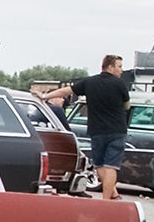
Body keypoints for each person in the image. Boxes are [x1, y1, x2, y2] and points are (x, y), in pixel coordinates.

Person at [44, 55, 130, 201]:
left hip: (97, 130)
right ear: (110, 67)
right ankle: (107, 199)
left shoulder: (89, 82)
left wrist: (45, 96)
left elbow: (65, 91)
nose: (121, 70)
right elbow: (127, 105)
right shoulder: (120, 84)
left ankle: (113, 195)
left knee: (99, 165)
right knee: (111, 166)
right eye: (119, 66)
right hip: (117, 130)